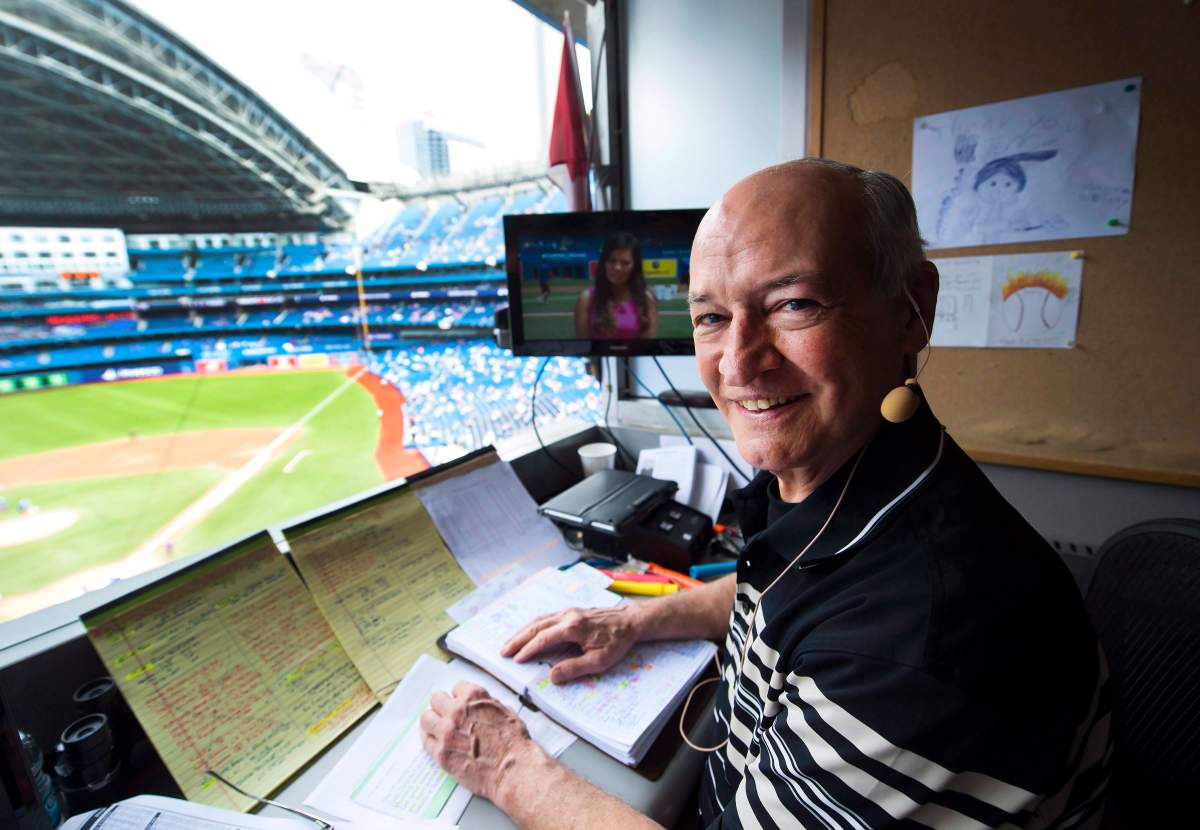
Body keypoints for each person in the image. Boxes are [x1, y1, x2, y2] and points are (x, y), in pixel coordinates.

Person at [420, 160, 1110, 829]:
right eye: (712, 318)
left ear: (911, 311)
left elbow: (859, 630)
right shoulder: (852, 477)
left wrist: (508, 765)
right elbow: (785, 591)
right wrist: (629, 623)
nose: (739, 362)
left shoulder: (930, 633)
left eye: (793, 304)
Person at [574, 232, 659, 339]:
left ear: (635, 266)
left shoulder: (647, 299)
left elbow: (648, 348)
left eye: (625, 263)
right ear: (604, 262)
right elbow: (583, 349)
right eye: (612, 261)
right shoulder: (586, 299)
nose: (617, 267)